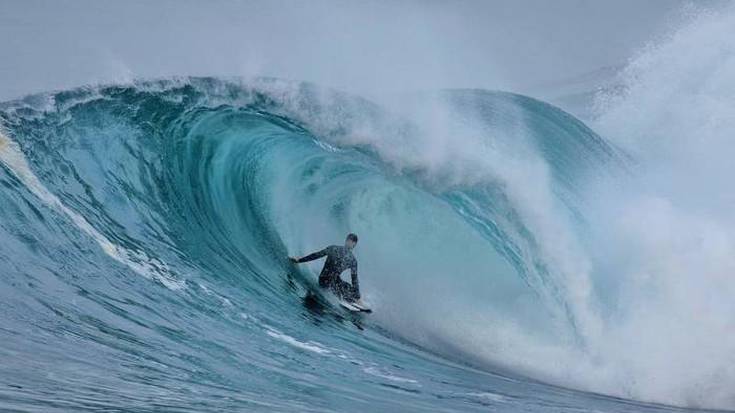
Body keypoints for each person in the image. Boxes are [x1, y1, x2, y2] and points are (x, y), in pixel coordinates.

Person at [289, 233, 363, 304]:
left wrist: (299, 260)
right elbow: (354, 280)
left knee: (345, 286)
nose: (349, 242)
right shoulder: (352, 260)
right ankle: (354, 300)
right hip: (330, 284)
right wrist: (357, 297)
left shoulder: (333, 248)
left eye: (349, 241)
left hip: (323, 280)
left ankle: (351, 298)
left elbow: (316, 255)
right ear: (354, 244)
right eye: (350, 241)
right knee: (349, 290)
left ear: (346, 241)